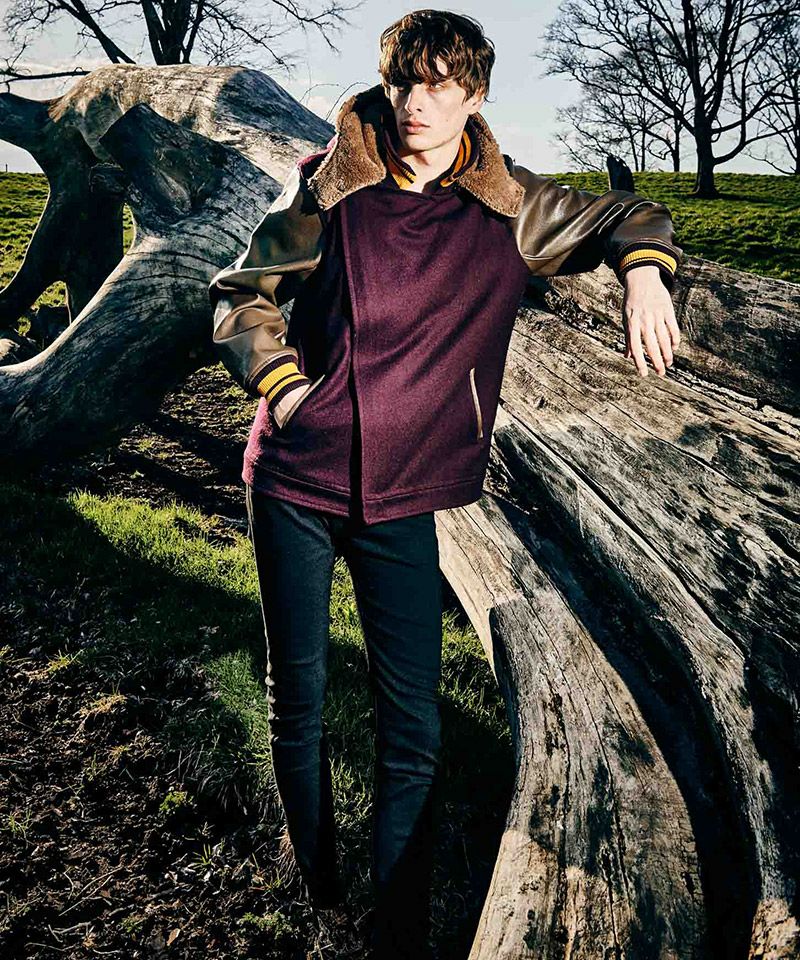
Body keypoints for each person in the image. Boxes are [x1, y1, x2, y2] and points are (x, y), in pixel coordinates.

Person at [208, 9, 683, 958]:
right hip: (295, 478)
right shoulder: (331, 186)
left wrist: (645, 272)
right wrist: (287, 390)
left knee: (413, 725)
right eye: (403, 83)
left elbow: (626, 215)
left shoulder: (511, 208)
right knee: (298, 697)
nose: (415, 104)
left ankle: (398, 928)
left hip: (406, 495)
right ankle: (319, 887)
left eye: (438, 86)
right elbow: (240, 294)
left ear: (475, 95)